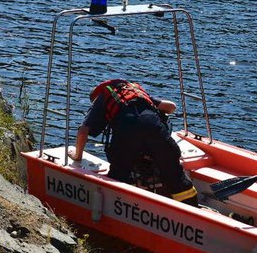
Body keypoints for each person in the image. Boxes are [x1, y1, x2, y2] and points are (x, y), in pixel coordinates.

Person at [68, 78, 199, 206]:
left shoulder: (102, 97)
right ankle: (192, 209)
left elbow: (83, 131)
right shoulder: (136, 93)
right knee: (174, 174)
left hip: (126, 129)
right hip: (154, 127)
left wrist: (77, 155)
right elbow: (171, 107)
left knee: (119, 174)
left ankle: (125, 207)